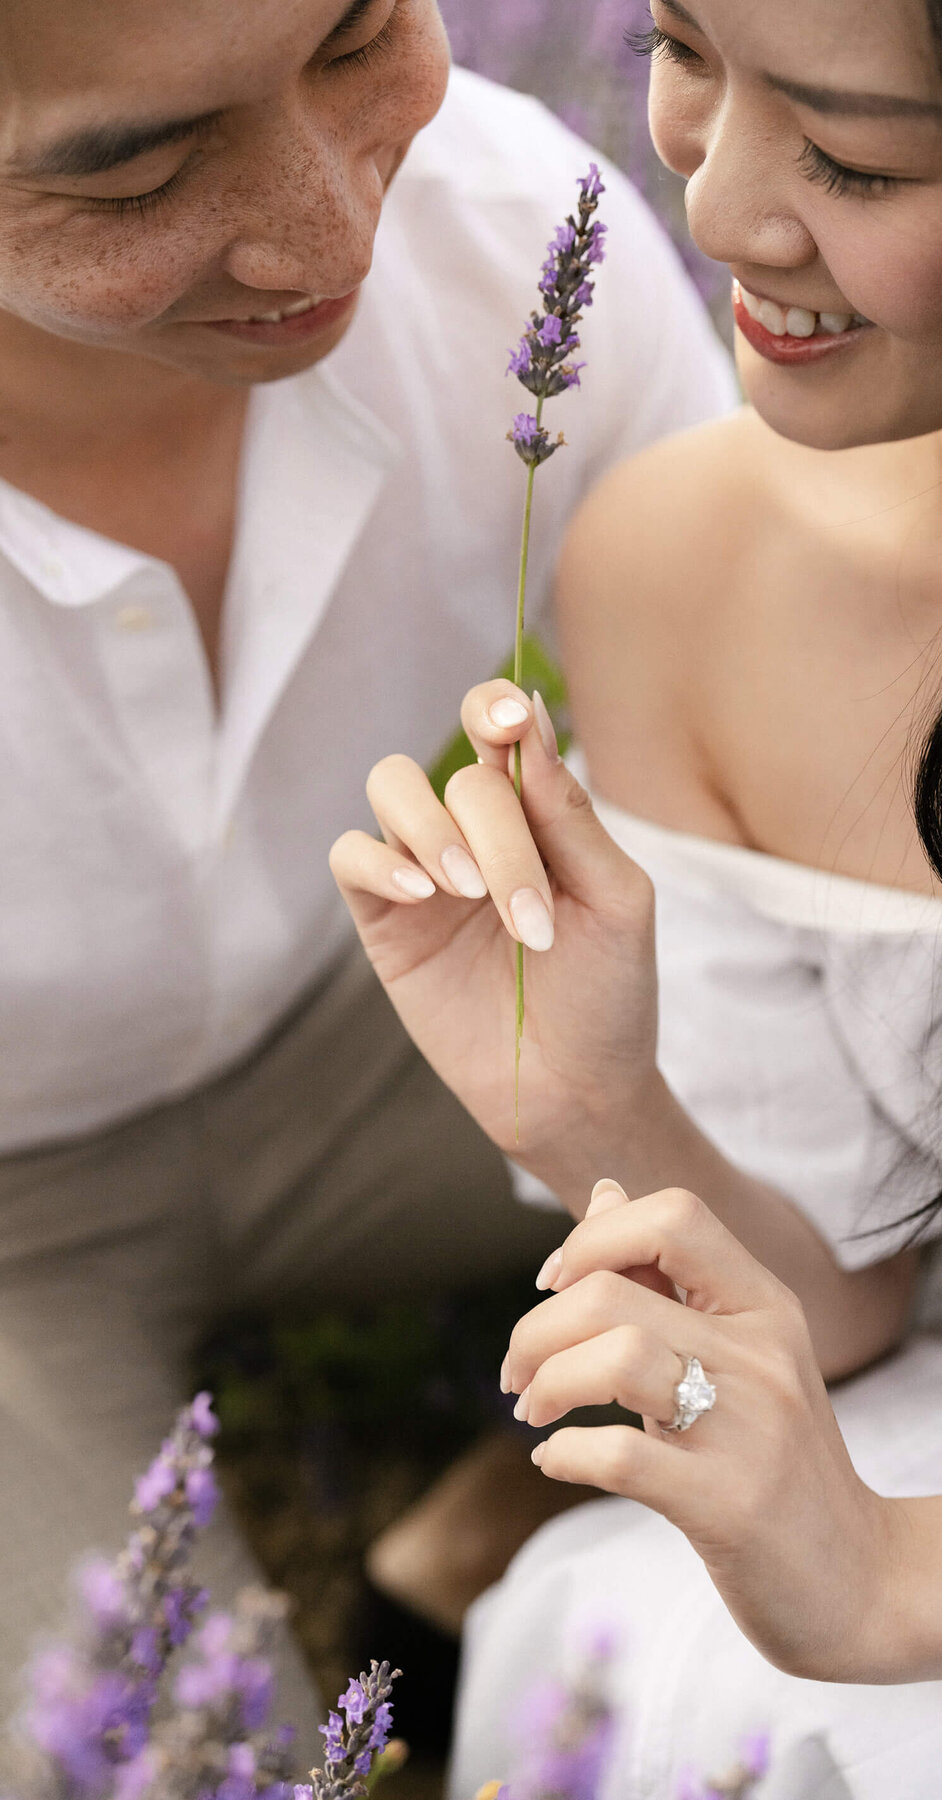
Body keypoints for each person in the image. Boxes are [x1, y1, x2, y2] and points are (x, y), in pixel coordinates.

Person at [330, 0, 942, 1791]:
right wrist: (593, 1102)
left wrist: (890, 1579)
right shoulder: (686, 560)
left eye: (857, 155)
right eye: (683, 46)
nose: (716, 210)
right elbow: (849, 1294)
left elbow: (880, 1577)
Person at [0, 0, 736, 1731]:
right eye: (135, 171)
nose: (340, 233)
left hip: (380, 1046)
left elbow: (750, 784)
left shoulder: (512, 240)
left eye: (357, 39)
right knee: (157, 1756)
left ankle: (502, 1512)